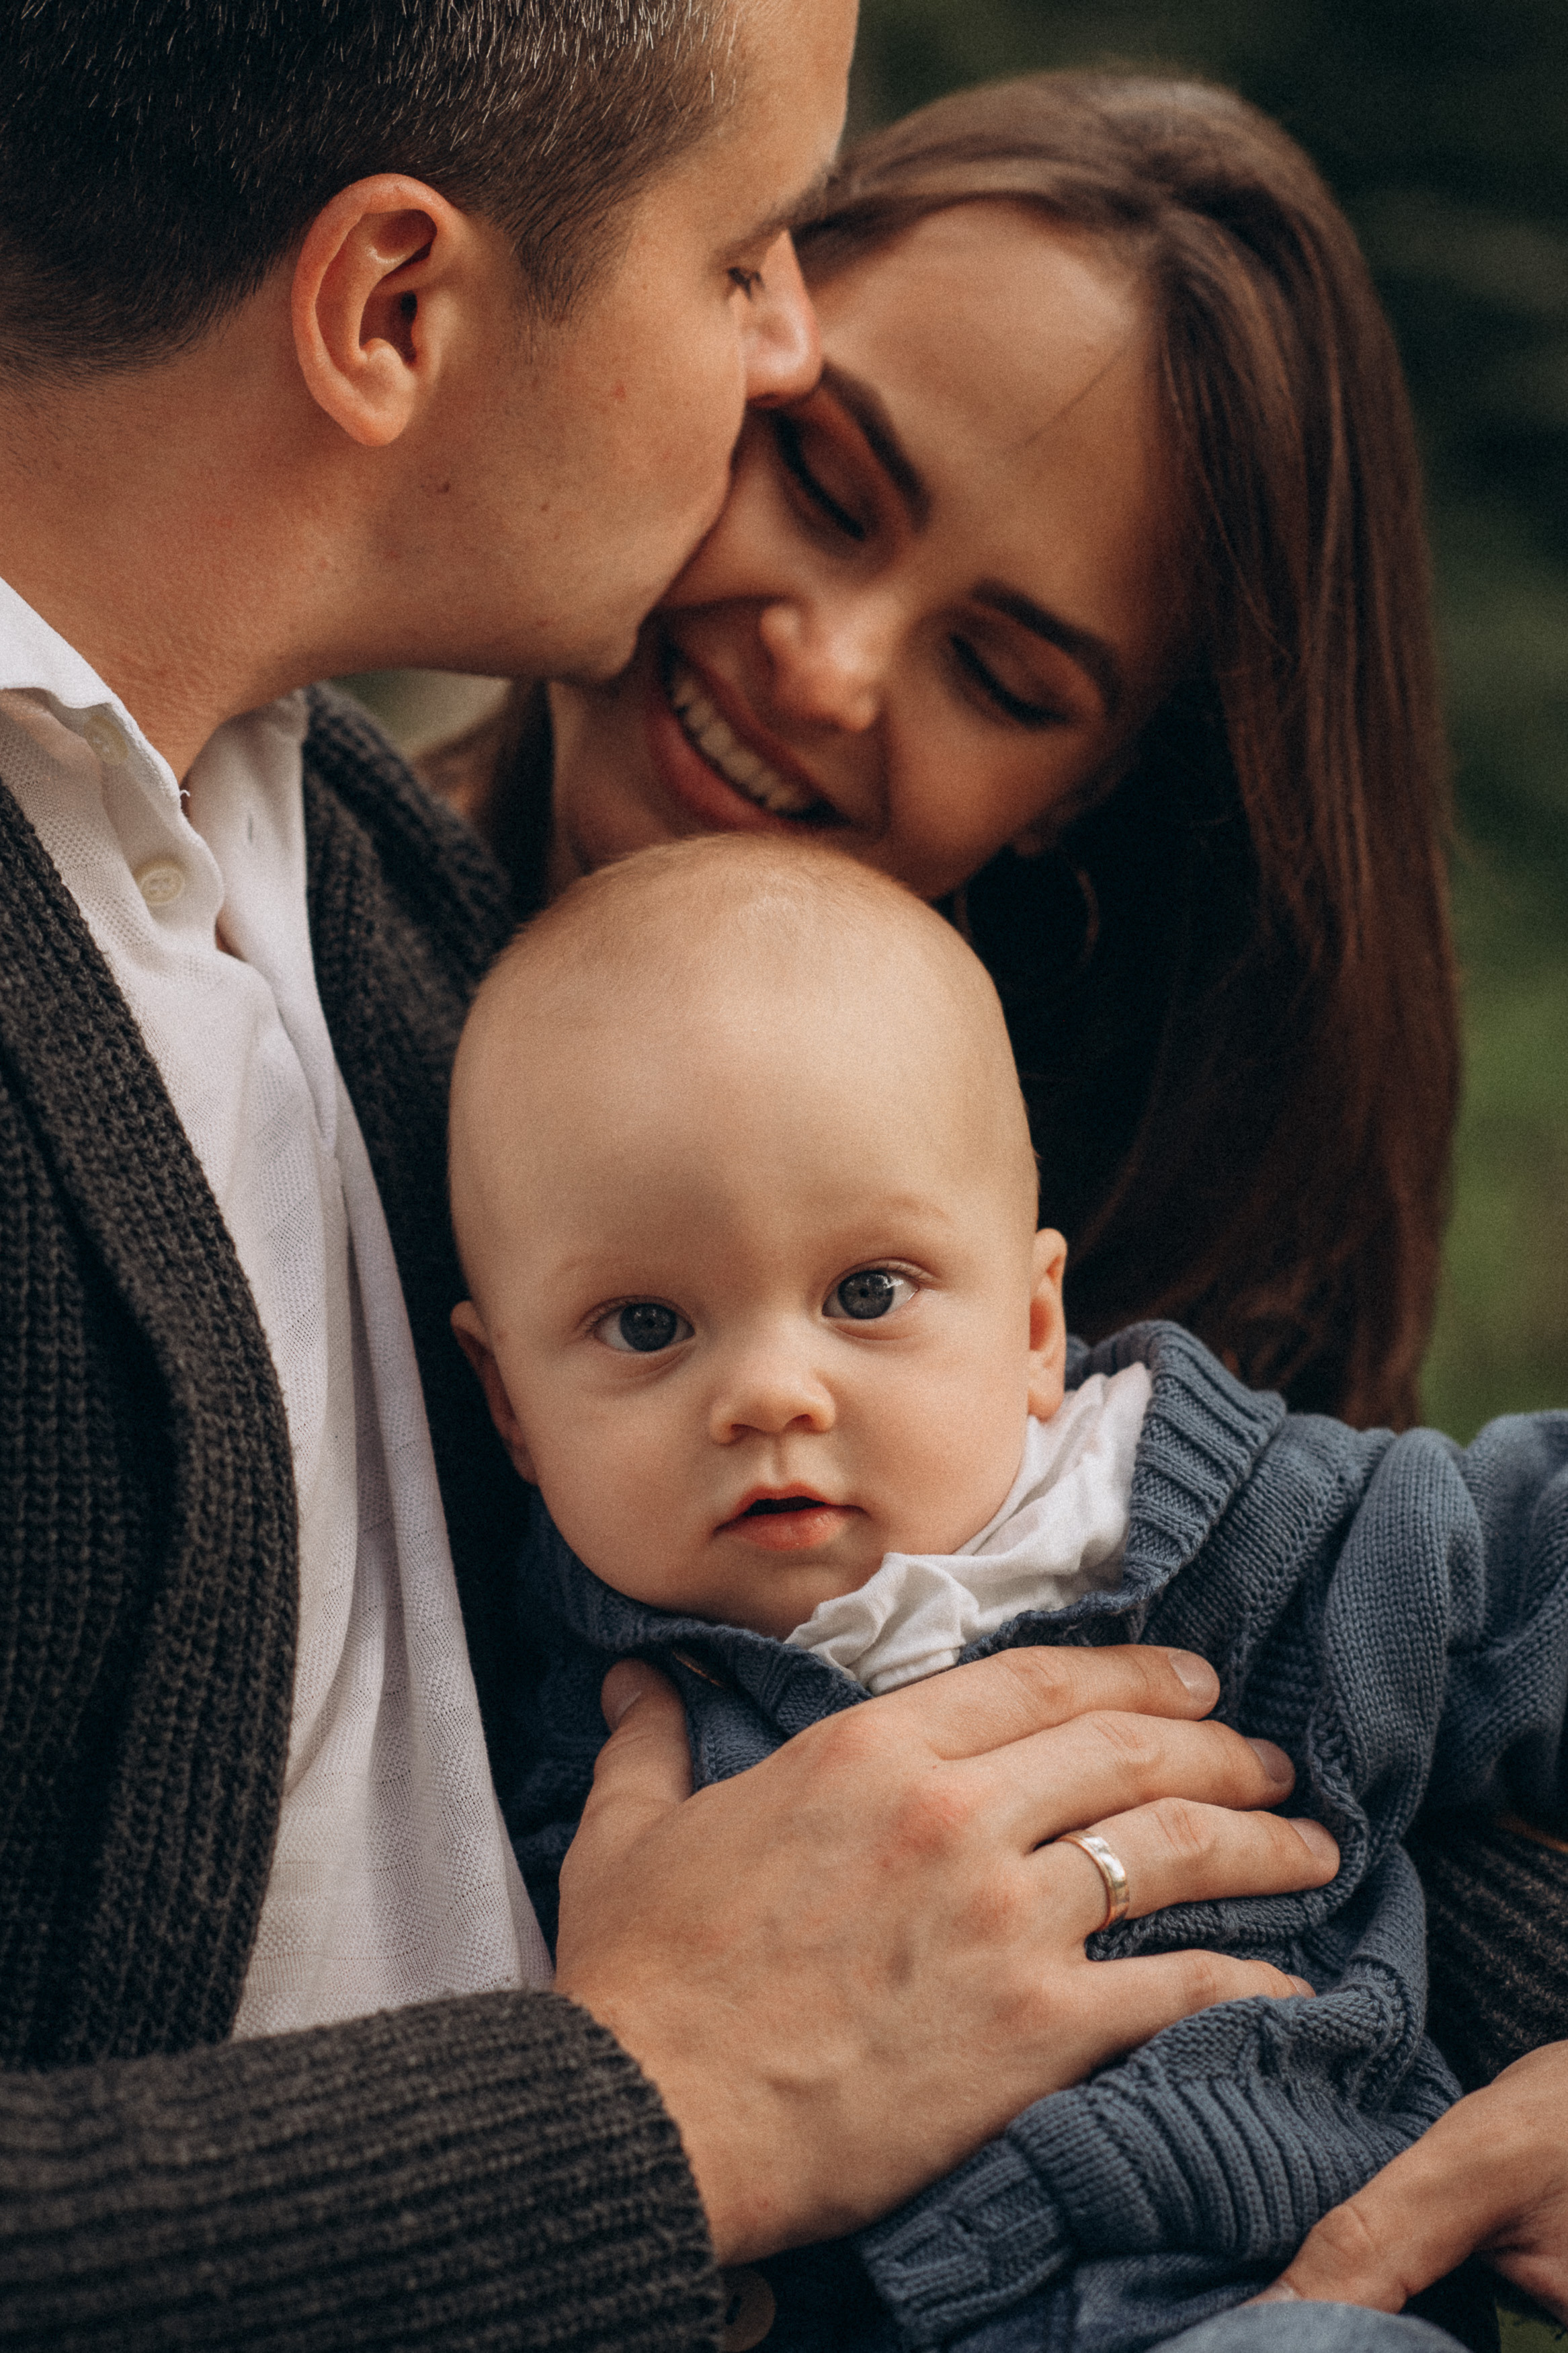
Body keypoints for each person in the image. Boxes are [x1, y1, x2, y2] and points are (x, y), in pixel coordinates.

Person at [0, 7, 1344, 2348]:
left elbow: (1277, 1642)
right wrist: (654, 2107)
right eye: (745, 262)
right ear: (391, 307)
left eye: (1009, 673)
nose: (779, 334)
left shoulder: (344, 895)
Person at [445, 830, 1568, 2353]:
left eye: (866, 1294)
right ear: (508, 1404)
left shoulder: (1252, 1540)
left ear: (1037, 1326)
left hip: (1276, 2290)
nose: (770, 1392)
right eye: (646, 1324)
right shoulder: (573, 1748)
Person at [423, 69, 1458, 1435]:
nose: (828, 673)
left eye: (995, 677)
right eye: (822, 484)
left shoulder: (1146, 1430)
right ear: (729, 321)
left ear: (1085, 793)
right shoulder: (217, 900)